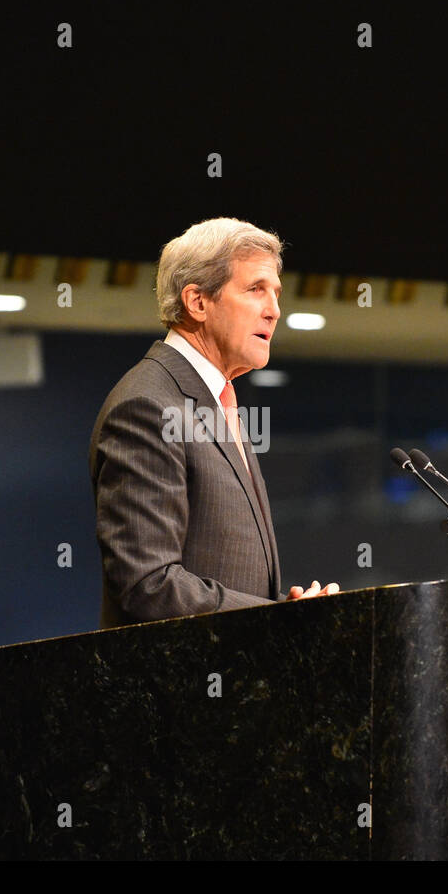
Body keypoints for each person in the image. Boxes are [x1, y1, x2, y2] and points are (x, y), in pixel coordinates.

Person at [89, 217, 340, 627]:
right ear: (198, 302)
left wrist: (291, 612)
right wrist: (280, 621)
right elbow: (148, 585)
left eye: (276, 293)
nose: (274, 310)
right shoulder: (148, 405)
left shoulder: (216, 400)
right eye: (256, 289)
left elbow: (227, 579)